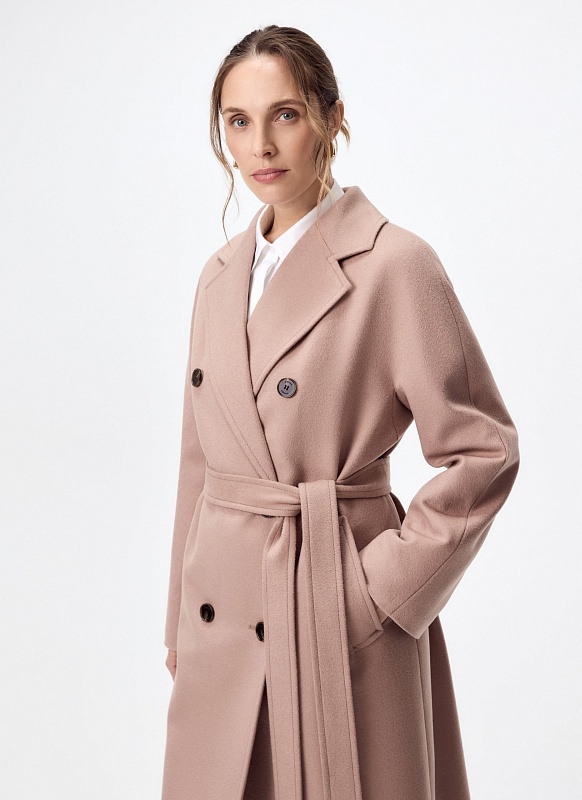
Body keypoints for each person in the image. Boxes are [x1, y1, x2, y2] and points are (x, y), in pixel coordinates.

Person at [161, 24, 520, 800]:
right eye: (238, 121)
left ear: (332, 117)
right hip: (222, 613)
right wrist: (179, 620)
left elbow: (483, 450)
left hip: (335, 605)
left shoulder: (396, 263)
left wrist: (377, 592)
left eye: (285, 115)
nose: (261, 145)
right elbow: (202, 459)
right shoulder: (218, 277)